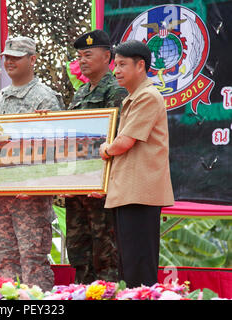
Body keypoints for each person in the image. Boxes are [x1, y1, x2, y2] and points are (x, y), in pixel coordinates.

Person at [0, 36, 63, 291]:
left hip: (29, 196)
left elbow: (54, 148)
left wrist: (36, 184)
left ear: (32, 60)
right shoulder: (0, 96)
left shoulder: (45, 98)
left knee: (33, 260)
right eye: (6, 57)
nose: (9, 62)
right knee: (4, 257)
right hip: (0, 193)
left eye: (16, 57)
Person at [99, 40, 174, 288]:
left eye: (122, 64)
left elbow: (124, 143)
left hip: (141, 193)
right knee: (129, 265)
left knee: (139, 267)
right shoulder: (134, 97)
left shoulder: (148, 97)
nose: (116, 70)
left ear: (140, 65)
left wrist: (106, 149)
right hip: (128, 191)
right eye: (115, 65)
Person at [64, 30, 128, 284]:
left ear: (107, 57)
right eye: (79, 56)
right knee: (78, 249)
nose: (82, 60)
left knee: (106, 251)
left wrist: (107, 181)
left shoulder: (117, 91)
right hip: (77, 184)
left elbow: (121, 139)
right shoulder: (80, 94)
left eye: (88, 55)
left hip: (103, 186)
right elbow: (69, 138)